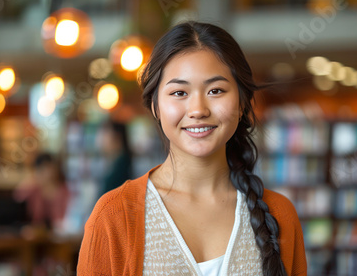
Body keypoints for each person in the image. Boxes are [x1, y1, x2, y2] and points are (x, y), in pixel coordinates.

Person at [77, 21, 306, 276]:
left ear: (242, 103)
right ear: (155, 106)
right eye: (179, 93)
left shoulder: (279, 215)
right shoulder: (113, 215)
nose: (198, 110)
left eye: (216, 90)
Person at [14, 152, 69, 231]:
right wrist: (32, 180)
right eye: (42, 169)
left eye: (49, 168)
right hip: (38, 235)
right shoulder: (34, 189)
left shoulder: (64, 191)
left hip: (59, 235)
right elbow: (17, 197)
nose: (48, 173)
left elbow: (64, 220)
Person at [96, 119, 133, 197]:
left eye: (104, 134)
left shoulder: (121, 168)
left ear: (117, 137)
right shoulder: (117, 163)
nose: (100, 139)